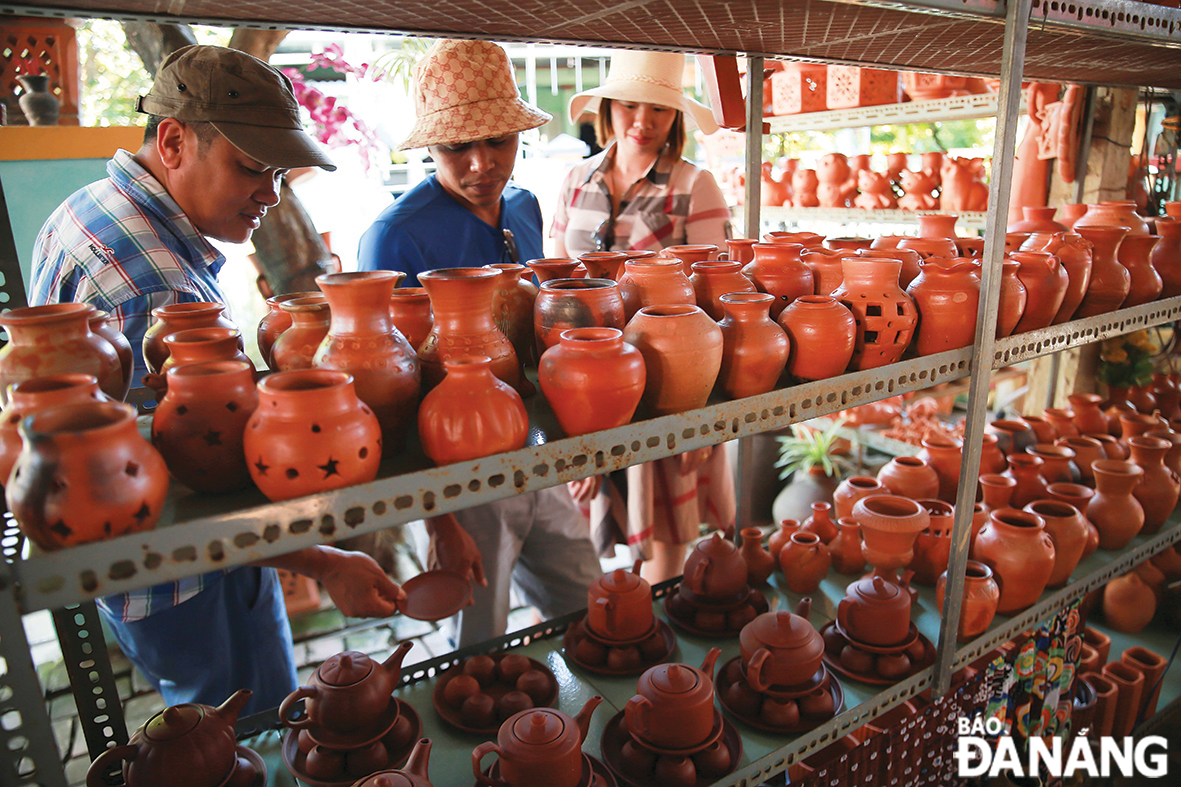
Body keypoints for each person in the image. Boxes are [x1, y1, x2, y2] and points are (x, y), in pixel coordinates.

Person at [28, 45, 482, 714]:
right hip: (182, 578)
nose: (269, 195)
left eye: (277, 172)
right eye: (250, 167)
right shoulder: (158, 285)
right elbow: (188, 473)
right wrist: (326, 563)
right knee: (246, 729)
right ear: (175, 141)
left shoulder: (89, 208)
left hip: (161, 572)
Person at [359, 38, 603, 646]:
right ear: (430, 148)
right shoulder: (394, 239)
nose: (479, 164)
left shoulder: (523, 207)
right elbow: (389, 401)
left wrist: (577, 444)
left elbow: (538, 340)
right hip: (454, 479)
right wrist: (439, 521)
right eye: (456, 146)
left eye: (497, 140)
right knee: (477, 644)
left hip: (531, 453)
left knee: (591, 600)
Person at [555, 50, 736, 583]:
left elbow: (716, 297)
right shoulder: (575, 180)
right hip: (586, 380)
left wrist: (702, 425)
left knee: (664, 541)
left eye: (658, 109)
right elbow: (556, 281)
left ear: (675, 117)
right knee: (601, 535)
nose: (642, 121)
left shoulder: (692, 185)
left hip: (664, 381)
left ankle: (660, 650)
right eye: (630, 106)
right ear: (607, 108)